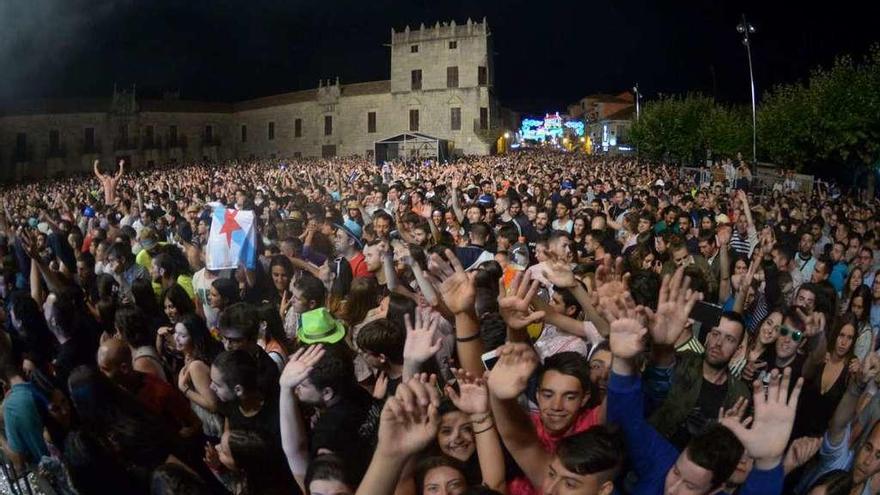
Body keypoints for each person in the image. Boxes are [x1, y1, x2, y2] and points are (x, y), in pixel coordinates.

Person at [605, 293, 802, 495]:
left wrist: (764, 460)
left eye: (729, 339)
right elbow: (639, 407)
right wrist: (641, 357)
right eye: (716, 334)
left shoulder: (740, 394)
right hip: (645, 463)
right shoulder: (682, 361)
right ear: (707, 336)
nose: (718, 343)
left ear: (738, 348)